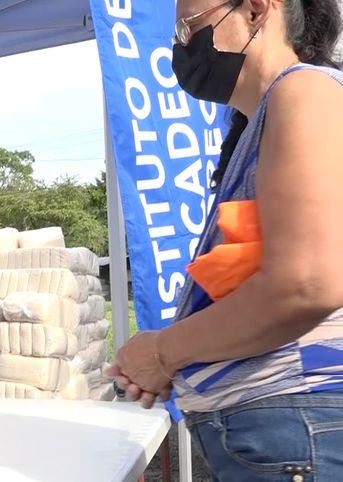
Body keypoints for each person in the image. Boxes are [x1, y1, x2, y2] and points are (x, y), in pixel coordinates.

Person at [108, 0, 343, 479]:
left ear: (257, 10)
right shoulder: (273, 114)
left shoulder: (305, 92)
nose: (181, 46)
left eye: (188, 27)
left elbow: (307, 284)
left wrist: (163, 352)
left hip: (294, 431)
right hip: (281, 434)